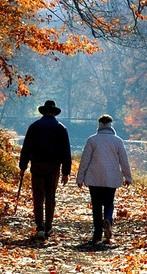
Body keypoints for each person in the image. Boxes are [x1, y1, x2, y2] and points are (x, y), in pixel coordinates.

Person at [18, 99, 72, 240]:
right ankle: (48, 226)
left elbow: (26, 148)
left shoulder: (34, 126)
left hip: (37, 166)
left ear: (43, 112)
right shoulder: (61, 128)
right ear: (54, 112)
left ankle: (40, 227)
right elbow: (66, 152)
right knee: (50, 197)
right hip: (53, 167)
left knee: (38, 196)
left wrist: (23, 166)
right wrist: (66, 172)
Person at [75, 114, 133, 245]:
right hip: (111, 178)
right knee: (109, 202)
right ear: (111, 125)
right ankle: (108, 219)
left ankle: (97, 234)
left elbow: (85, 160)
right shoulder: (118, 141)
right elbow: (124, 161)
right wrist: (128, 177)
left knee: (96, 205)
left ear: (99, 124)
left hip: (94, 177)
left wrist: (80, 178)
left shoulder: (92, 140)